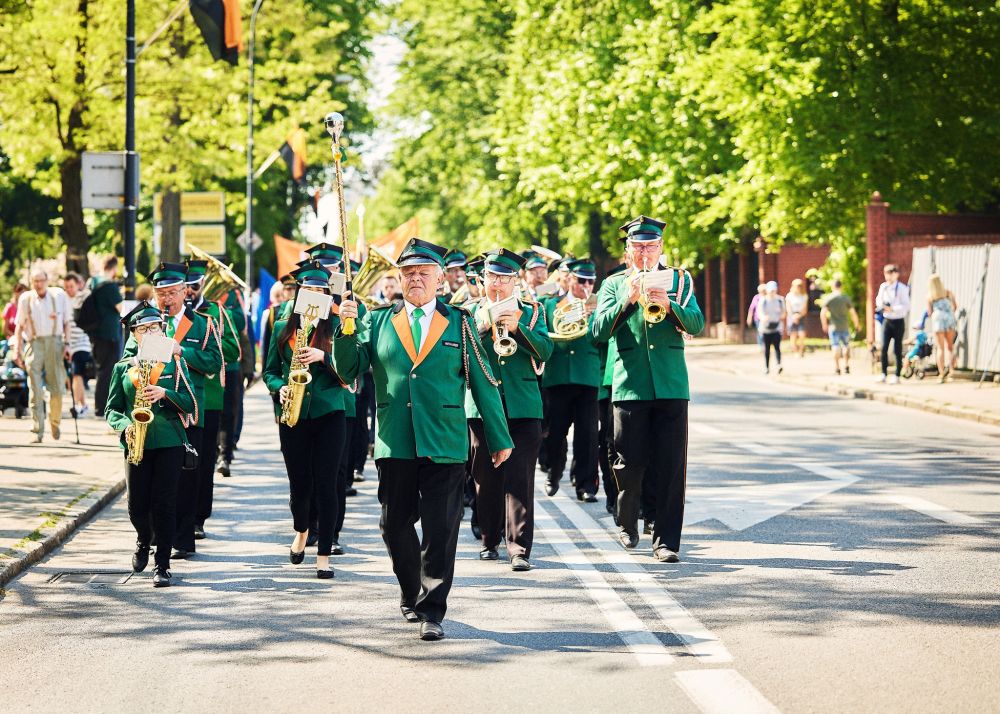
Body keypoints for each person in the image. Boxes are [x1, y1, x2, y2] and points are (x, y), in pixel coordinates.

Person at [335, 237, 513, 641]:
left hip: (445, 440)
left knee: (439, 529)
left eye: (423, 274)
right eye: (409, 273)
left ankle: (432, 609)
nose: (416, 280)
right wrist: (345, 329)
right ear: (399, 279)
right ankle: (411, 586)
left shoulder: (460, 321)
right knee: (393, 525)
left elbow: (483, 382)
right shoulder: (378, 320)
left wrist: (498, 436)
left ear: (439, 280)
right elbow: (348, 372)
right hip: (395, 440)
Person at [593, 215, 704, 562]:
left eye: (650, 245)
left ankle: (666, 541)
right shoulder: (613, 284)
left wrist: (670, 306)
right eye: (638, 246)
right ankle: (628, 521)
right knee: (630, 462)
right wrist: (628, 300)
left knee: (671, 466)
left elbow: (697, 323)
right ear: (628, 250)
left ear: (660, 247)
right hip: (630, 386)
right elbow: (597, 331)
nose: (644, 252)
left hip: (671, 384)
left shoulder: (680, 281)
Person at [124, 262, 222, 560]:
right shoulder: (145, 323)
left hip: (189, 409)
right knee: (154, 481)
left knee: (188, 476)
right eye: (160, 293)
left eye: (171, 293)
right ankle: (153, 535)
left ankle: (183, 538)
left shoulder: (203, 323)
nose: (166, 299)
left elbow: (213, 362)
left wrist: (180, 351)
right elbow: (128, 358)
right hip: (153, 414)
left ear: (184, 291)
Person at [465, 249, 553, 571]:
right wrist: (485, 326)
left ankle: (518, 548)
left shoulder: (533, 312)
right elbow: (460, 353)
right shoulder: (469, 314)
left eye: (504, 278)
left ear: (515, 282)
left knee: (520, 478)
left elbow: (546, 350)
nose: (497, 284)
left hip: (522, 405)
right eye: (492, 277)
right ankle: (489, 538)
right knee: (485, 477)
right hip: (482, 407)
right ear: (483, 279)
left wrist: (518, 329)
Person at [264, 260, 349, 580]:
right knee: (300, 485)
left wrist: (324, 357)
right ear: (299, 294)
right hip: (294, 414)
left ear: (328, 295)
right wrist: (280, 388)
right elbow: (270, 371)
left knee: (327, 485)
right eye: (308, 290)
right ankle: (301, 530)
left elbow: (351, 371)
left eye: (321, 291)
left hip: (330, 412)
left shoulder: (339, 326)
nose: (314, 295)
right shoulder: (282, 325)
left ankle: (324, 554)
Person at [106, 302, 196, 587]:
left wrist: (165, 392)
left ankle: (163, 565)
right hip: (136, 442)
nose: (150, 331)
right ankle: (144, 538)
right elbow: (111, 410)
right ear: (134, 334)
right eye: (143, 328)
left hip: (168, 440)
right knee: (136, 505)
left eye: (154, 326)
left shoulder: (174, 362)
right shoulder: (122, 367)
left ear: (162, 329)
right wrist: (126, 426)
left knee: (165, 503)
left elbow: (192, 403)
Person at [184, 259, 241, 539]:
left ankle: (198, 519)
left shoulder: (216, 312)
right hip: (174, 399)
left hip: (209, 399)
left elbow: (233, 350)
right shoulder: (169, 314)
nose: (189, 292)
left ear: (202, 286)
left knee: (204, 463)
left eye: (194, 286)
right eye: (185, 287)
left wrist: (212, 340)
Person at [541, 258, 602, 502]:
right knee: (555, 433)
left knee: (587, 435)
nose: (586, 286)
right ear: (569, 280)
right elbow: (544, 336)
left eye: (591, 281)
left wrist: (593, 315)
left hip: (587, 376)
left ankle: (585, 484)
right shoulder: (550, 305)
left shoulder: (598, 306)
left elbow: (604, 336)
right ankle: (554, 472)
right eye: (581, 280)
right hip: (557, 377)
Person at [12, 270, 73, 443]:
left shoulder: (59, 295)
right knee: (35, 389)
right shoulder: (26, 298)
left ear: (47, 280)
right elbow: (19, 326)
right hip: (34, 343)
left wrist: (67, 345)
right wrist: (17, 348)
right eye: (35, 281)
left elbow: (67, 322)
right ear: (31, 283)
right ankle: (37, 429)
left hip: (54, 343)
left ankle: (54, 422)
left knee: (57, 388)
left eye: (41, 280)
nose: (38, 284)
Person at [88, 256, 124, 418]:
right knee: (108, 371)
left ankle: (99, 405)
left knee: (101, 369)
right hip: (109, 333)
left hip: (96, 333)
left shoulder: (93, 282)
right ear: (114, 268)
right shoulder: (109, 286)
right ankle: (102, 406)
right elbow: (120, 308)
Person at [62, 273, 93, 415]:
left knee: (76, 374)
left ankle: (81, 405)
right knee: (72, 375)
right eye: (66, 286)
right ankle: (82, 404)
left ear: (78, 285)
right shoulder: (62, 300)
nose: (69, 289)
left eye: (72, 286)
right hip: (67, 344)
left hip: (82, 342)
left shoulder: (83, 298)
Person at [875, 264, 911, 384]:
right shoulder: (883, 287)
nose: (889, 276)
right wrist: (883, 306)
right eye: (887, 273)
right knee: (884, 347)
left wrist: (893, 309)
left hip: (898, 320)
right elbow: (878, 300)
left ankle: (897, 375)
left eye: (891, 273)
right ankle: (883, 373)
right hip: (887, 320)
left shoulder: (902, 288)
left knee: (897, 348)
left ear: (896, 274)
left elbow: (906, 306)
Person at [820, 280, 859, 375]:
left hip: (833, 327)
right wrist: (857, 324)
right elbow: (853, 313)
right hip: (845, 326)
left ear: (833, 287)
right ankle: (846, 365)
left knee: (835, 346)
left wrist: (824, 324)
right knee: (846, 346)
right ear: (841, 287)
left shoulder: (829, 298)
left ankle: (837, 368)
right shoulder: (845, 298)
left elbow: (823, 313)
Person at [927, 273, 958, 382]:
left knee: (940, 348)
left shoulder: (931, 296)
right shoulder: (948, 293)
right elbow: (955, 306)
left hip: (938, 321)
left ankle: (941, 374)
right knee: (950, 347)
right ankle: (951, 371)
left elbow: (929, 312)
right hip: (949, 319)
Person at [756, 281, 785, 374]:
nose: (772, 292)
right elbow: (759, 313)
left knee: (777, 347)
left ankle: (778, 364)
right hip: (765, 328)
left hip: (777, 327)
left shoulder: (780, 300)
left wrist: (782, 316)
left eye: (774, 290)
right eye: (771, 290)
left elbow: (784, 312)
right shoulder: (763, 300)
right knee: (767, 349)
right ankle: (767, 367)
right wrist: (763, 317)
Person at [785, 278, 808, 358]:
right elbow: (788, 308)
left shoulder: (804, 296)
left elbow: (805, 309)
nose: (798, 287)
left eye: (800, 286)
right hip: (792, 316)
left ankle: (801, 351)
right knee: (793, 335)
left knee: (802, 334)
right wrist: (793, 316)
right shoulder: (789, 296)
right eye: (797, 286)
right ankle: (795, 351)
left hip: (801, 315)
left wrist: (799, 315)